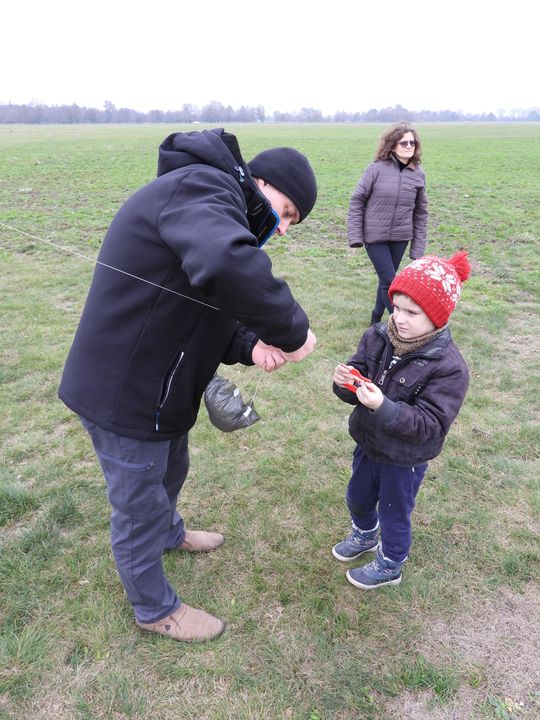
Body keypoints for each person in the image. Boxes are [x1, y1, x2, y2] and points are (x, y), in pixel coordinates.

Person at [59, 128, 318, 642]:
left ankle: (170, 533)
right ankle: (154, 608)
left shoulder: (211, 208)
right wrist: (292, 331)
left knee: (173, 467)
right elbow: (226, 266)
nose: (284, 228)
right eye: (287, 211)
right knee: (138, 505)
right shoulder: (202, 187)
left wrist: (250, 345)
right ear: (261, 182)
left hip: (161, 391)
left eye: (292, 222)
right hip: (123, 393)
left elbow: (203, 302)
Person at [331, 251, 471, 589]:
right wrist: (346, 382)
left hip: (405, 458)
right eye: (395, 307)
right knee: (358, 497)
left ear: (437, 316)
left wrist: (384, 406)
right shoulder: (378, 336)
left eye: (412, 312)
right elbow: (359, 370)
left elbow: (430, 425)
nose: (399, 318)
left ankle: (391, 563)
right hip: (368, 443)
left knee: (394, 512)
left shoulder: (450, 368)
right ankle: (365, 534)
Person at [347, 121, 428, 325]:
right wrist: (355, 236)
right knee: (391, 281)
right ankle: (400, 324)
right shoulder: (376, 169)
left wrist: (417, 247)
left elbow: (420, 213)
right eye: (404, 143)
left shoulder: (418, 174)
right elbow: (357, 200)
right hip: (375, 237)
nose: (409, 146)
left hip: (400, 237)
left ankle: (376, 318)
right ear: (392, 145)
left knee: (386, 280)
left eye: (412, 143)